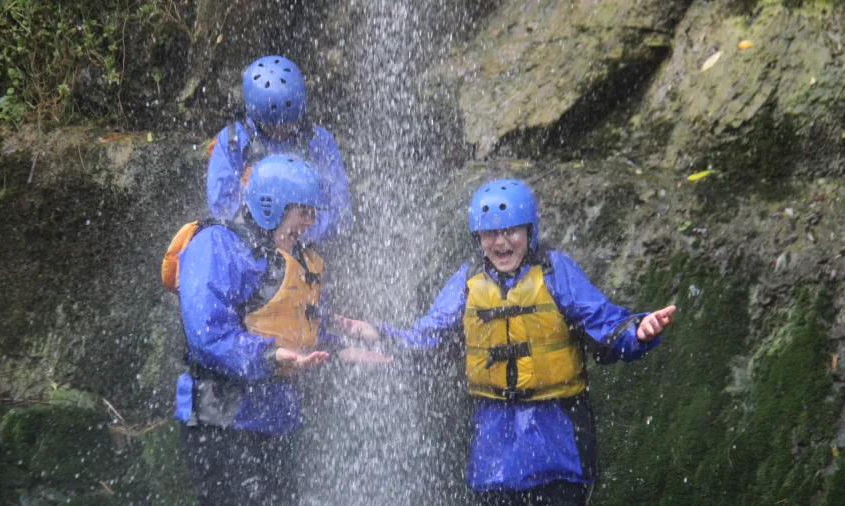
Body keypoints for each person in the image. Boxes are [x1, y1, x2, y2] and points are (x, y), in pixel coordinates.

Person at [336, 179, 676, 506]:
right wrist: (382, 335)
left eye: (511, 230)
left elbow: (604, 322)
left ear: (530, 231)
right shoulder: (468, 281)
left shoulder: (556, 272)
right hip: (494, 447)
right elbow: (429, 335)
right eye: (490, 233)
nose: (501, 242)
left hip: (558, 442)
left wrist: (638, 331)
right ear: (478, 237)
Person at [173, 155, 378, 506]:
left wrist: (340, 349)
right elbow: (207, 336)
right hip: (223, 421)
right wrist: (268, 355)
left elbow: (299, 331)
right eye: (304, 212)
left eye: (313, 213)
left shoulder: (295, 257)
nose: (310, 222)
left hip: (278, 418)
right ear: (272, 205)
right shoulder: (216, 245)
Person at [207, 55, 352, 244]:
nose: (284, 130)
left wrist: (297, 231)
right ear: (258, 118)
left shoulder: (318, 141)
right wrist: (268, 228)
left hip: (305, 246)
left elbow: (341, 212)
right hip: (251, 247)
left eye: (292, 122)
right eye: (274, 126)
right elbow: (222, 210)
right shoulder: (233, 142)